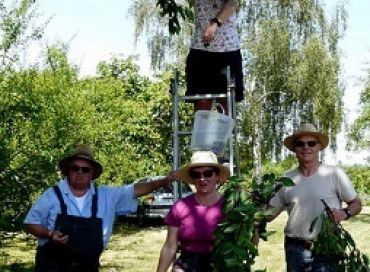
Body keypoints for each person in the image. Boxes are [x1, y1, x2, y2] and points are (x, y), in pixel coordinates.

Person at [24, 144, 177, 271]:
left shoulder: (106, 196)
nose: (79, 172)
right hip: (52, 267)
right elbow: (30, 223)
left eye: (85, 169)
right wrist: (50, 234)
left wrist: (162, 182)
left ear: (92, 173)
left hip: (88, 267)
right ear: (68, 171)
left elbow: (134, 190)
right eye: (75, 168)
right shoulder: (52, 195)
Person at [269, 123, 362, 272]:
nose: (306, 147)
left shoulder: (334, 174)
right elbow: (269, 214)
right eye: (300, 144)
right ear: (294, 149)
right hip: (295, 249)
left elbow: (356, 203)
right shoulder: (285, 180)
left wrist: (344, 213)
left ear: (319, 147)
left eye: (311, 143)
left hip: (327, 246)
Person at [156, 151, 230, 272]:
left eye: (208, 173)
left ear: (217, 177)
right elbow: (170, 246)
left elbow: (248, 243)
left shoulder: (230, 207)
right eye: (196, 174)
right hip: (186, 266)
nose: (202, 178)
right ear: (192, 179)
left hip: (220, 265)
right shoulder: (180, 206)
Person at [185, 0, 244, 112]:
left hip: (228, 49)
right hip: (200, 49)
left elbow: (232, 3)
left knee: (226, 103)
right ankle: (201, 129)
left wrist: (215, 23)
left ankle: (227, 129)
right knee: (202, 102)